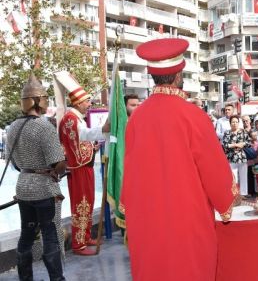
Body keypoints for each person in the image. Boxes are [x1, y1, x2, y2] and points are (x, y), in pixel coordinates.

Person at [122, 38, 237, 280]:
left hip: (148, 220)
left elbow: (130, 171)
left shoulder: (137, 118)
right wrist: (226, 202)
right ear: (178, 75)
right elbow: (213, 170)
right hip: (187, 219)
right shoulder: (194, 116)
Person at [8, 75, 67, 281]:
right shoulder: (43, 126)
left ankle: (25, 278)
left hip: (23, 186)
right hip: (42, 188)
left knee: (27, 234)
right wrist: (62, 162)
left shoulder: (12, 127)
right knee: (50, 235)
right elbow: (58, 165)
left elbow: (15, 163)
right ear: (41, 101)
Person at [54, 71, 110, 256]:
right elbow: (81, 139)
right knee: (81, 205)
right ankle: (78, 244)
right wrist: (102, 131)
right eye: (87, 101)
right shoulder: (71, 119)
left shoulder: (75, 118)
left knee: (87, 202)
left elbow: (79, 141)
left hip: (83, 166)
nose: (89, 104)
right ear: (78, 103)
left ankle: (85, 237)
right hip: (78, 168)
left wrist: (91, 146)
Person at [222, 115, 252, 197]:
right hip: (231, 157)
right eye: (233, 122)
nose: (234, 124)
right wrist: (235, 145)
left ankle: (243, 194)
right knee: (233, 177)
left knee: (243, 176)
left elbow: (249, 143)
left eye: (236, 122)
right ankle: (235, 194)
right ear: (230, 123)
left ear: (238, 123)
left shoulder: (243, 132)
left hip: (242, 157)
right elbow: (224, 145)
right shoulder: (227, 132)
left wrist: (243, 144)